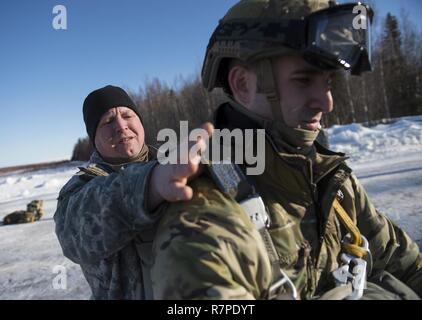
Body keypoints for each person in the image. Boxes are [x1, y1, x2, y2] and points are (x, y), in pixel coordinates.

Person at [148, 0, 422, 300]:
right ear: (242, 84)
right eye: (304, 80)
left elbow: (406, 262)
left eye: (328, 81)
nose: (327, 101)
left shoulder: (332, 181)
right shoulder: (202, 222)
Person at [54, 85, 208, 299]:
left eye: (127, 115)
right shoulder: (81, 187)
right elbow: (74, 236)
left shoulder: (174, 163)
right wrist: (150, 184)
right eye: (108, 121)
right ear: (94, 138)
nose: (121, 126)